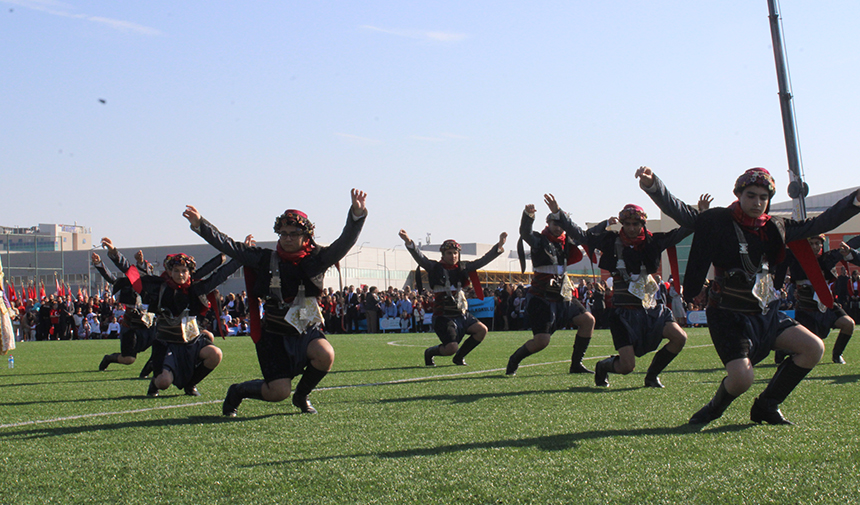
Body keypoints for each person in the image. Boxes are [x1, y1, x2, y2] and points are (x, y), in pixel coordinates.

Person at [637, 166, 860, 425]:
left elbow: (819, 223)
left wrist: (854, 201)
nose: (757, 202)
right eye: (751, 195)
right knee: (743, 379)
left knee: (813, 348)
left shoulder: (775, 226)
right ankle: (713, 409)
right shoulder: (718, 220)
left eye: (763, 197)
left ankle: (767, 405)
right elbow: (683, 213)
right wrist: (654, 186)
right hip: (729, 314)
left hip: (766, 311)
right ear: (739, 194)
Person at [183, 188, 368, 416]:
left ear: (306, 235)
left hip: (303, 330)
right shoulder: (264, 258)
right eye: (283, 233)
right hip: (274, 335)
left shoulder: (317, 258)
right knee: (278, 392)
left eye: (293, 233)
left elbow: (344, 243)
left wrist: (356, 216)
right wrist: (201, 224)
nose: (287, 238)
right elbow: (229, 246)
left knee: (326, 354)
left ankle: (302, 395)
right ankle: (238, 391)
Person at [101, 237, 237, 397]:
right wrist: (113, 253)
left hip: (192, 341)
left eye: (184, 271)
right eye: (177, 271)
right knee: (164, 382)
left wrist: (237, 258)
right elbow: (133, 274)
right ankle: (156, 381)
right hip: (167, 343)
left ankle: (191, 384)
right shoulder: (159, 287)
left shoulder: (196, 288)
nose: (180, 274)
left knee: (215, 354)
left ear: (189, 272)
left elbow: (220, 275)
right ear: (170, 271)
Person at [587, 203, 690, 389]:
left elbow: (681, 233)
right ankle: (603, 366)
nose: (632, 228)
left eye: (636, 224)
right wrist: (558, 214)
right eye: (627, 224)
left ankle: (652, 376)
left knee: (680, 337)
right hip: (623, 314)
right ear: (622, 225)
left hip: (650, 310)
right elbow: (583, 236)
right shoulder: (611, 243)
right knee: (627, 366)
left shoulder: (652, 242)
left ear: (643, 224)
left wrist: (701, 215)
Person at [505, 194, 596, 376]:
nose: (558, 228)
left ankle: (576, 364)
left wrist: (607, 223)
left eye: (561, 225)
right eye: (555, 224)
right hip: (541, 298)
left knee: (588, 320)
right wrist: (528, 216)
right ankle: (514, 359)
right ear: (548, 224)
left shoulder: (567, 243)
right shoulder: (539, 241)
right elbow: (525, 233)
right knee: (541, 341)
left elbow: (585, 236)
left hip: (562, 296)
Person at [399, 229, 507, 367]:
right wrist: (408, 241)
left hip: (461, 313)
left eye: (455, 253)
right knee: (451, 348)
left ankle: (459, 358)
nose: (453, 256)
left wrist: (498, 246)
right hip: (443, 316)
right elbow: (421, 258)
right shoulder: (434, 267)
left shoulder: (463, 267)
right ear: (443, 255)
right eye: (449, 253)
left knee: (482, 330)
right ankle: (430, 353)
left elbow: (481, 261)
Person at [773, 236, 860, 364]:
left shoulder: (827, 258)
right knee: (808, 340)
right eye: (811, 243)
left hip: (827, 304)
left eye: (817, 243)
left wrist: (848, 250)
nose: (814, 247)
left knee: (848, 324)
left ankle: (837, 355)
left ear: (821, 245)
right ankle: (783, 350)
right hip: (806, 307)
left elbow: (844, 248)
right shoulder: (795, 258)